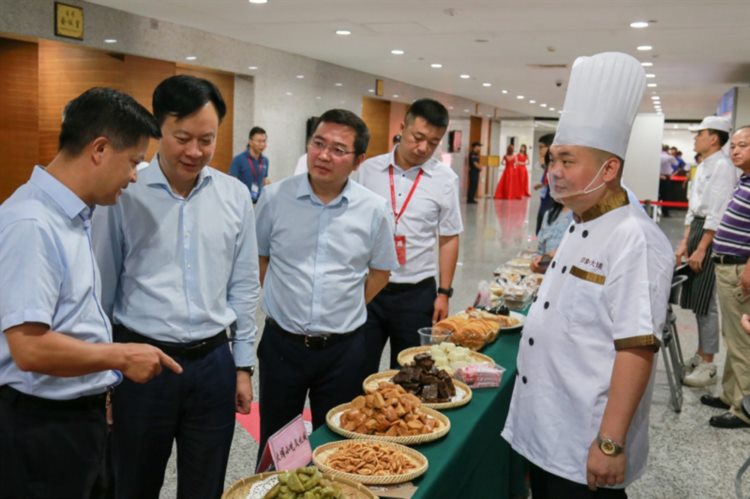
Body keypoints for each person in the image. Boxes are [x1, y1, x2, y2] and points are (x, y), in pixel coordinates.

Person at [502, 52, 673, 497]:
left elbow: (636, 348)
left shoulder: (633, 237)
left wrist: (610, 443)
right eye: (552, 159)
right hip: (546, 422)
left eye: (567, 161)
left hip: (585, 436)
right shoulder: (583, 222)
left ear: (609, 168)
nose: (553, 173)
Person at [0, 87, 180, 499]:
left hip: (79, 415)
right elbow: (29, 349)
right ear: (99, 148)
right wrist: (121, 355)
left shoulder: (75, 216)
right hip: (41, 428)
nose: (135, 176)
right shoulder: (31, 223)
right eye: (133, 161)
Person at [92, 75, 260, 499]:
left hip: (212, 363)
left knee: (205, 485)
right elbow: (101, 290)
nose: (195, 151)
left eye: (207, 139)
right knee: (133, 482)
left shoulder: (234, 195)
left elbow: (243, 287)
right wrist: (105, 376)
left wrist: (243, 366)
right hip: (141, 363)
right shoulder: (124, 193)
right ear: (157, 130)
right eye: (182, 137)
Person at [255, 108, 398, 457]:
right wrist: (283, 298)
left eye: (338, 149)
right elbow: (259, 257)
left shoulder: (373, 208)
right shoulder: (275, 199)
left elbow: (381, 271)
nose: (323, 155)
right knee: (278, 447)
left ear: (358, 160)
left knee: (337, 447)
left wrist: (345, 305)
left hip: (343, 352)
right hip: (282, 347)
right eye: (318, 143)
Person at [357, 98, 463, 371]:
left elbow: (449, 237)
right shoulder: (368, 170)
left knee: (411, 373)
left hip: (417, 294)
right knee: (358, 367)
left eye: (433, 142)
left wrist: (444, 293)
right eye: (418, 137)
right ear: (402, 127)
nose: (423, 148)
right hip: (369, 289)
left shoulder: (445, 179)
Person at [676, 115, 736, 387]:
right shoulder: (703, 165)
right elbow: (694, 207)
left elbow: (717, 212)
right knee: (696, 300)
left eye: (699, 134)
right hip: (698, 231)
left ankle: (709, 363)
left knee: (706, 301)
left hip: (709, 236)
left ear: (713, 138)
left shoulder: (723, 167)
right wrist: (685, 241)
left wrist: (701, 248)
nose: (695, 138)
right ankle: (701, 354)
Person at [702, 125, 750, 428]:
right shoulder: (744, 180)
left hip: (739, 269)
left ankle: (744, 408)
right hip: (727, 267)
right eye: (733, 145)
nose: (735, 150)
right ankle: (730, 395)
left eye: (743, 145)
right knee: (732, 337)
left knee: (742, 342)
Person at [529, 200, 573, 274]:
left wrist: (558, 253)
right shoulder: (549, 214)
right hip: (548, 272)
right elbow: (541, 248)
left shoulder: (580, 217)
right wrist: (538, 261)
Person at [229, 126, 269, 204]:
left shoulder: (265, 161)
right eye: (259, 141)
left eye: (264, 141)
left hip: (258, 202)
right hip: (241, 203)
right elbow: (231, 183)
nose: (262, 144)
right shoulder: (238, 159)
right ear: (250, 142)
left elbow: (264, 181)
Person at [533, 134, 556, 233]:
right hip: (545, 197)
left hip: (551, 198)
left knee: (544, 222)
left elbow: (553, 177)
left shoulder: (554, 161)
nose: (539, 150)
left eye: (542, 147)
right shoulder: (547, 162)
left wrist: (544, 164)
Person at [658, 144, 678, 217]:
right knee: (665, 196)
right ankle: (665, 212)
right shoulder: (670, 157)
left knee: (656, 195)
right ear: (668, 150)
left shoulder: (657, 156)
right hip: (666, 177)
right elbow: (676, 163)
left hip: (657, 177)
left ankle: (654, 211)